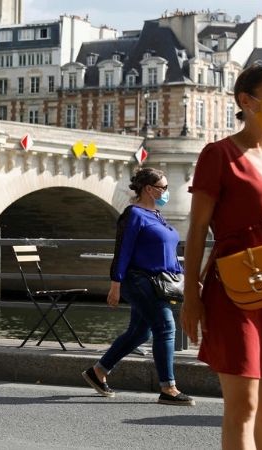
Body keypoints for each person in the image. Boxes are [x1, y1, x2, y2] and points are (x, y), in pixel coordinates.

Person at [182, 61, 262, 449]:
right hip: (234, 292)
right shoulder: (218, 155)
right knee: (244, 405)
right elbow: (198, 229)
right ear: (246, 100)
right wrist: (191, 297)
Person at [80, 167, 194, 406]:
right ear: (149, 190)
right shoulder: (133, 214)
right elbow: (123, 250)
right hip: (139, 280)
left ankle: (98, 372)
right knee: (165, 327)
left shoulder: (158, 215)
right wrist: (115, 284)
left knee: (140, 332)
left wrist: (187, 278)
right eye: (163, 187)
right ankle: (168, 388)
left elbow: (169, 254)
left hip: (160, 282)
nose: (166, 192)